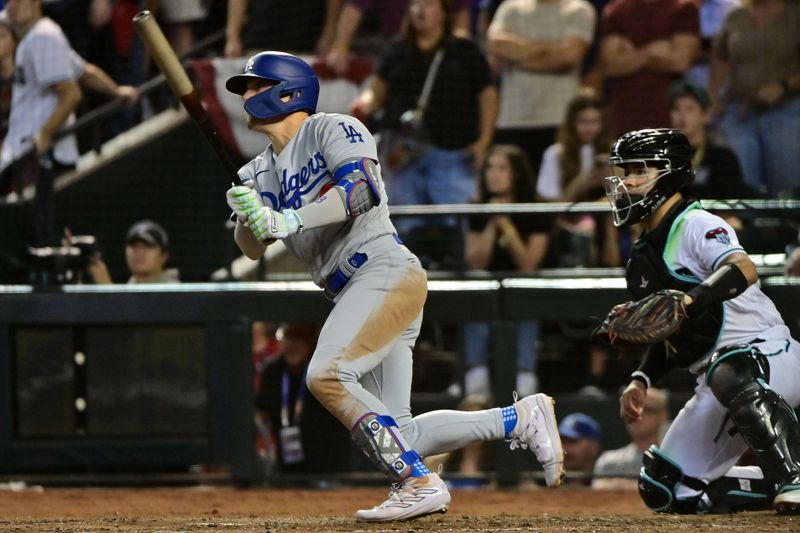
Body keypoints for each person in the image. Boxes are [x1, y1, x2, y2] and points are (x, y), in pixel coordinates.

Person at [223, 50, 564, 522]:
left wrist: (288, 217)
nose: (246, 96)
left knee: (326, 375)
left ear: (289, 90)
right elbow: (253, 249)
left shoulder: (332, 128)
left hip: (381, 270)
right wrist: (247, 217)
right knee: (400, 430)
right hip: (352, 290)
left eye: (255, 86)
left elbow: (363, 189)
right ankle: (518, 418)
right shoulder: (257, 171)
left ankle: (417, 481)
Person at [600, 128, 800, 514]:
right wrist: (641, 379)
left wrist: (690, 299)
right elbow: (666, 328)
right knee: (666, 489)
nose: (627, 181)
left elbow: (742, 269)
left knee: (729, 370)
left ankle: (793, 476)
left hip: (769, 355)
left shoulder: (697, 223)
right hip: (718, 378)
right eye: (625, 171)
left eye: (639, 170)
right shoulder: (639, 260)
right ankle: (769, 483)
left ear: (669, 172)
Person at [352, 0, 496, 256]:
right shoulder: (396, 50)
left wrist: (484, 142)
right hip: (403, 155)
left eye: (428, 4)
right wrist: (364, 104)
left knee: (453, 226)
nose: (420, 9)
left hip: (452, 152)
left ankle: (455, 279)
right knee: (406, 227)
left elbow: (487, 96)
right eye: (416, 4)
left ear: (443, 13)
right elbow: (376, 93)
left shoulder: (464, 51)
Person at [1, 0, 137, 245]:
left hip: (36, 156)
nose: (12, 6)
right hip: (25, 151)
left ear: (35, 3)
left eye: (18, 1)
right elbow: (84, 71)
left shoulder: (43, 36)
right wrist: (116, 91)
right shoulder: (38, 35)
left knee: (32, 234)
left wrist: (45, 133)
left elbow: (71, 93)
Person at [463, 145, 550, 398]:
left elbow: (528, 263)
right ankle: (476, 380)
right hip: (487, 286)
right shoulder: (477, 208)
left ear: (517, 174)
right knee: (477, 296)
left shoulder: (536, 209)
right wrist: (492, 221)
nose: (493, 174)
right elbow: (476, 262)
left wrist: (506, 223)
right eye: (490, 167)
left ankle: (525, 379)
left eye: (502, 168)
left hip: (525, 286)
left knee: (524, 299)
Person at [487, 0, 596, 175]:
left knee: (559, 196)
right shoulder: (510, 8)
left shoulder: (578, 10)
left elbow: (568, 57)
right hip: (513, 121)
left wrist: (518, 58)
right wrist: (547, 48)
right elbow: (497, 45)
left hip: (559, 121)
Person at [709, 0, 800, 198]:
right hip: (740, 109)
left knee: (786, 186)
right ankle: (748, 229)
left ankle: (787, 228)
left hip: (787, 109)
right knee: (741, 185)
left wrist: (784, 85)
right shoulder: (735, 16)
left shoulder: (795, 15)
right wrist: (713, 98)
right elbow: (720, 57)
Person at [255, 322, 353, 477]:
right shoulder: (273, 370)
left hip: (328, 466)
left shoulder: (326, 370)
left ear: (312, 342)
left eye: (300, 337)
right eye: (288, 336)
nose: (293, 344)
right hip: (286, 466)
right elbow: (261, 412)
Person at [599, 0, 700, 136]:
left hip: (667, 114)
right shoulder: (616, 11)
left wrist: (631, 55)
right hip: (624, 115)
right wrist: (649, 52)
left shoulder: (684, 8)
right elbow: (611, 66)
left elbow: (679, 63)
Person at [324, 0, 472, 74]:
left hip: (440, 51)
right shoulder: (394, 50)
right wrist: (340, 46)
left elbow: (461, 21)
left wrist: (459, 50)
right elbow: (355, 7)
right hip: (394, 48)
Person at [592, 387, 670, 489]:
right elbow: (597, 490)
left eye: (647, 410)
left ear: (663, 416)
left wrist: (622, 485)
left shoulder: (676, 460)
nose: (637, 415)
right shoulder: (610, 461)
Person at [77, 219, 179, 285]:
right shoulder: (130, 288)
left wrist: (107, 288)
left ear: (164, 256)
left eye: (147, 246)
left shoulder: (175, 292)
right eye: (133, 246)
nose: (139, 253)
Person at [559, 412, 602, 486]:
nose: (564, 449)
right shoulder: (544, 484)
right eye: (561, 442)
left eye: (572, 441)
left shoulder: (608, 482)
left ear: (593, 447)